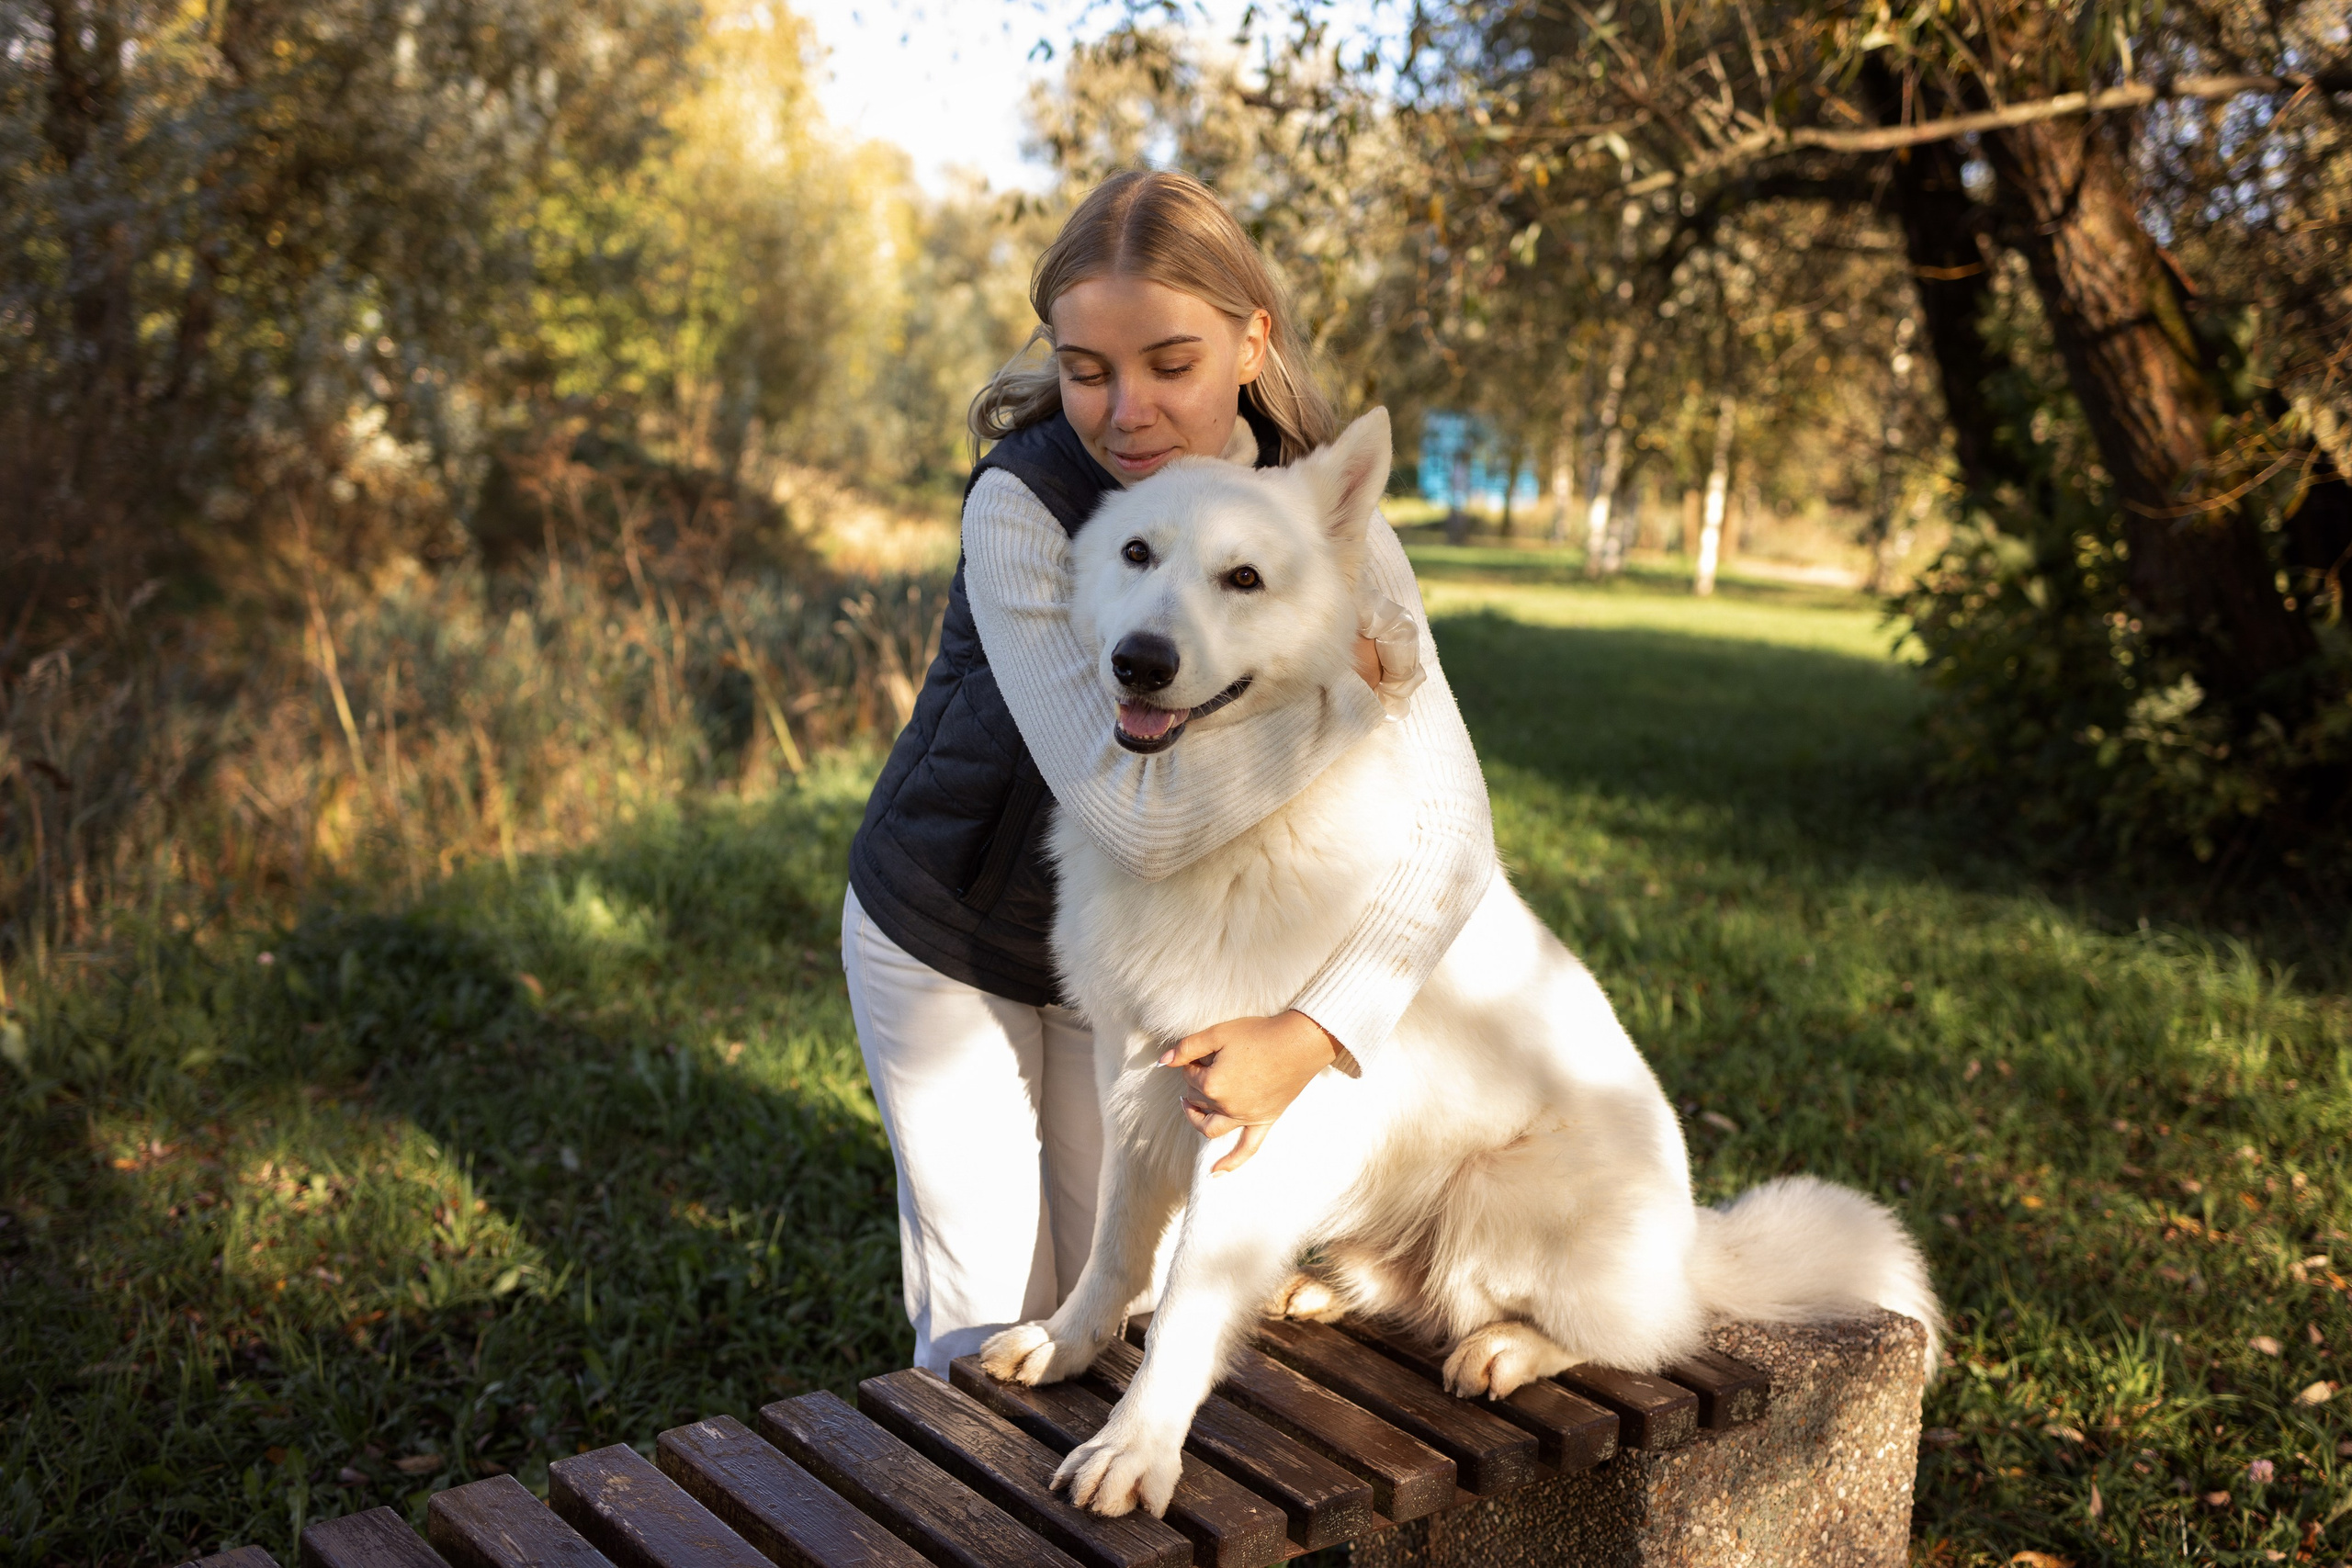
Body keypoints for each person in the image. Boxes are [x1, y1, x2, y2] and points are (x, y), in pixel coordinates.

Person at [842, 170, 1494, 1373]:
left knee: (1129, 1311)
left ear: (1252, 343)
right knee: (988, 1332)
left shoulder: (1333, 526)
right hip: (956, 944)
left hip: (1165, 986)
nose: (1125, 410)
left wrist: (1313, 1030)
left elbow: (1456, 829)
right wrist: (1352, 697)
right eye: (1088, 369)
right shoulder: (1023, 504)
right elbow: (1132, 822)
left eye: (1169, 364)